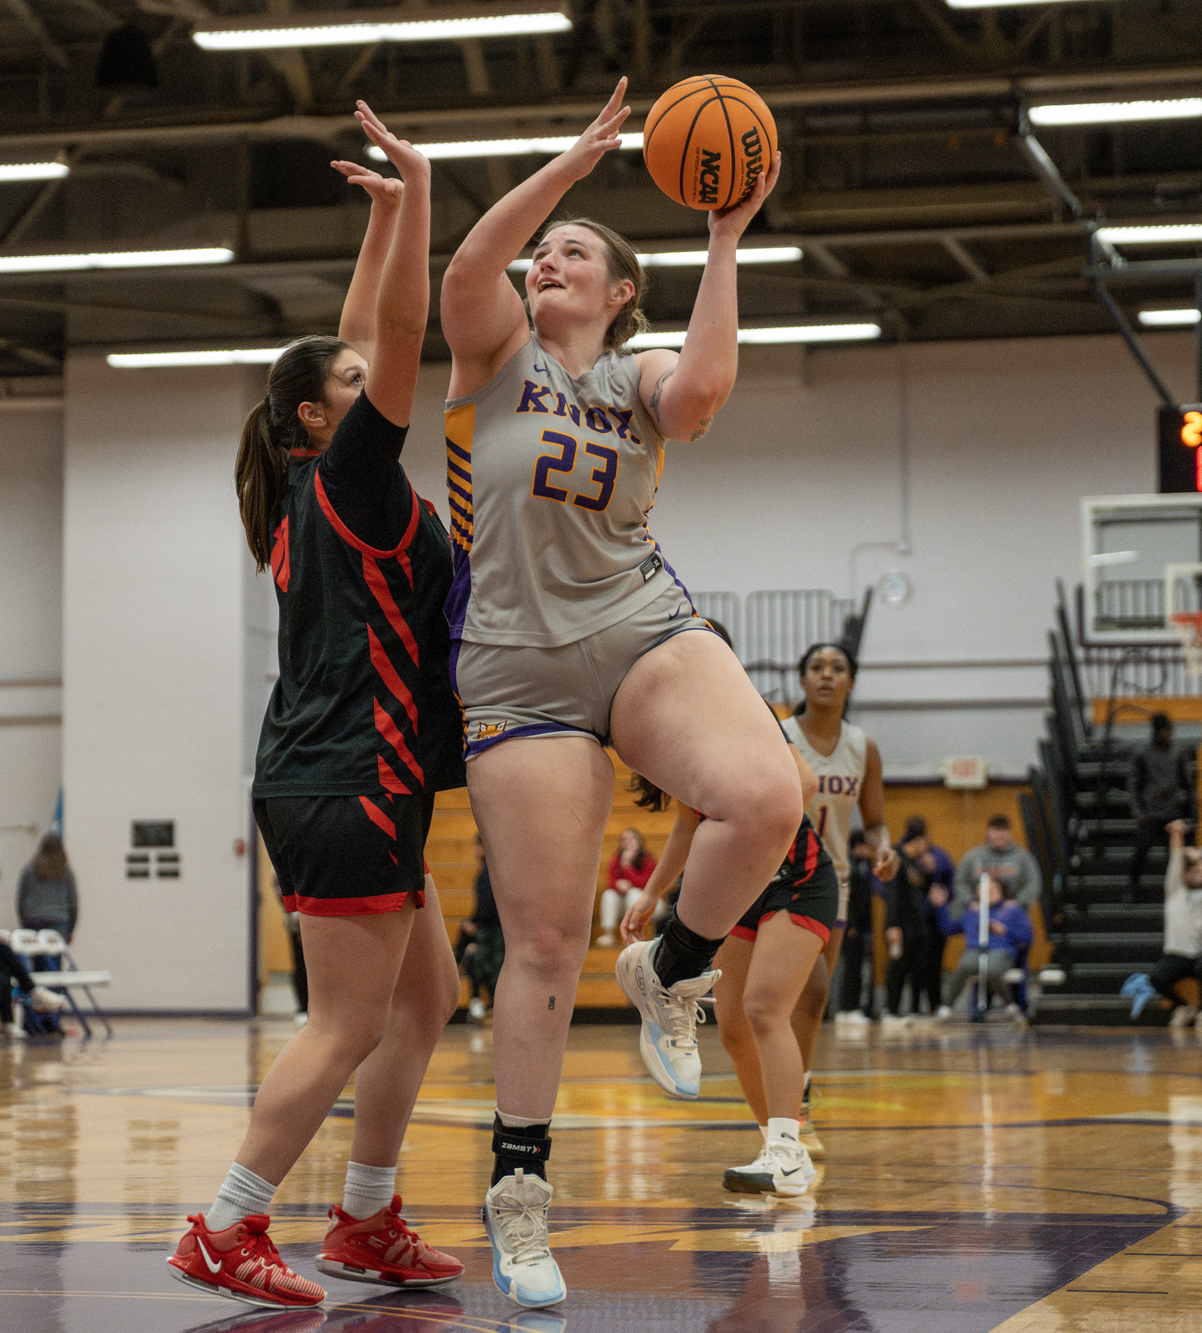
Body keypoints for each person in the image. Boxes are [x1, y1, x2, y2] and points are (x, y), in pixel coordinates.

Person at [439, 78, 796, 1310]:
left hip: (636, 621)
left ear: (621, 290)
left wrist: (723, 235)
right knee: (539, 939)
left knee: (767, 794)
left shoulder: (637, 374)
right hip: (514, 661)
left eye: (575, 253)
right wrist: (572, 170)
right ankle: (520, 1198)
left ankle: (673, 966)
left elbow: (699, 399)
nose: (547, 259)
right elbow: (472, 258)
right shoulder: (490, 352)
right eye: (544, 254)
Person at [168, 106, 465, 1313]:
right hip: (346, 776)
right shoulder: (346, 472)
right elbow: (392, 326)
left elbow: (354, 335)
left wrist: (384, 214)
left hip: (347, 774)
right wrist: (425, 190)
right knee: (344, 1023)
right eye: (352, 386)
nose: (373, 376)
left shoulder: (315, 475)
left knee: (425, 995)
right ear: (318, 418)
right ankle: (226, 1223)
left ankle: (363, 1216)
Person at [621, 740, 832, 1199]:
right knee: (733, 1026)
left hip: (798, 879)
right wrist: (652, 893)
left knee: (764, 1008)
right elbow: (685, 826)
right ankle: (776, 1148)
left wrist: (750, 813)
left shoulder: (740, 712)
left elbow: (808, 782)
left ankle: (788, 1147)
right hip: (743, 889)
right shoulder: (683, 743)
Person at [780, 643, 894, 1069]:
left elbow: (875, 821)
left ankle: (799, 1081)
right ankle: (789, 1085)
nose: (827, 675)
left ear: (851, 682)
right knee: (804, 988)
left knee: (814, 995)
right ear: (803, 679)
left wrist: (884, 847)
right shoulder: (780, 735)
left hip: (835, 880)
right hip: (781, 877)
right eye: (817, 667)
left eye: (837, 668)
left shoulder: (864, 748)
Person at [1149, 820, 1202, 1031]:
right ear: (1185, 875)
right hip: (1175, 954)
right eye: (1191, 871)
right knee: (1156, 978)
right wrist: (1177, 833)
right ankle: (1184, 1007)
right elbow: (1175, 860)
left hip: (1198, 954)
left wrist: (1200, 859)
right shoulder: (1175, 892)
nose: (1196, 874)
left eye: (1200, 872)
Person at [936, 877, 1033, 1019]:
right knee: (965, 965)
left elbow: (1028, 936)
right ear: (978, 892)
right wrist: (941, 907)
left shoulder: (1011, 909)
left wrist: (1005, 931)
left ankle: (1011, 1005)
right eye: (986, 889)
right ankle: (946, 1006)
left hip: (1001, 950)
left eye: (994, 889)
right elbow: (949, 928)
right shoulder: (972, 911)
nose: (990, 892)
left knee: (991, 968)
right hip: (976, 950)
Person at [882, 824, 948, 1022]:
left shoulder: (917, 863)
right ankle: (890, 1011)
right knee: (898, 968)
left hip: (917, 926)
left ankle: (915, 1010)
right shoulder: (898, 860)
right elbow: (893, 895)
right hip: (900, 925)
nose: (926, 848)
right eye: (923, 843)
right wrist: (892, 925)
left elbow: (922, 893)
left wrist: (929, 874)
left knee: (918, 968)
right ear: (916, 841)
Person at [1128, 713, 1196, 896]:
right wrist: (1137, 810)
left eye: (1170, 732)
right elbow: (1134, 784)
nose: (1169, 736)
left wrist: (1192, 812)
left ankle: (1175, 890)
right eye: (1165, 732)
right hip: (1150, 813)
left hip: (1172, 811)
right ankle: (1132, 888)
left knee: (1174, 856)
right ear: (1156, 733)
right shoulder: (1142, 753)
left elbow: (1187, 783)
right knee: (1140, 852)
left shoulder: (1178, 752)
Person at [458, 834, 503, 1022]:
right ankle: (477, 999)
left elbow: (488, 906)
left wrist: (476, 923)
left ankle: (483, 1002)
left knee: (479, 961)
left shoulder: (490, 873)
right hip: (488, 928)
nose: (475, 850)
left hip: (494, 931)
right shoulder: (486, 872)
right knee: (472, 957)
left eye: (478, 846)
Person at [954, 815, 1041, 910]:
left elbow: (1033, 883)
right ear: (988, 831)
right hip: (978, 911)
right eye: (996, 830)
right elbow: (960, 882)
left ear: (1009, 832)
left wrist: (1018, 901)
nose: (999, 835)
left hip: (1013, 912)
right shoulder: (973, 857)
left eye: (1003, 830)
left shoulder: (1022, 857)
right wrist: (970, 902)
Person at [597, 828, 655, 947]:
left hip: (648, 903)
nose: (629, 842)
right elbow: (610, 882)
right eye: (625, 839)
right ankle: (609, 934)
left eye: (632, 838)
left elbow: (645, 884)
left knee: (633, 893)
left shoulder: (648, 860)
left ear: (639, 841)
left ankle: (632, 933)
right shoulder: (615, 860)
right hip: (624, 902)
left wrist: (627, 866)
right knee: (609, 894)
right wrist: (618, 885)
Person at [15, 831, 78, 939]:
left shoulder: (28, 869)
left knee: (35, 954)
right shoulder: (65, 872)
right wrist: (70, 930)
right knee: (54, 953)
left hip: (33, 919)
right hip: (59, 920)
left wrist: (23, 922)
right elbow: (73, 903)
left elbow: (20, 899)